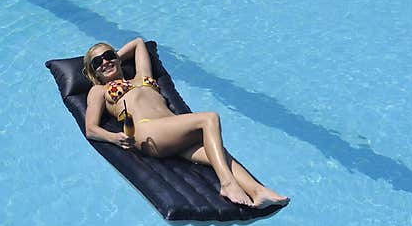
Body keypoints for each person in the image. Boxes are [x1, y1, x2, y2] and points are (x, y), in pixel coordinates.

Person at [83, 37, 289, 209]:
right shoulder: (99, 90)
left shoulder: (142, 76)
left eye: (108, 56)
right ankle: (227, 183)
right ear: (94, 73)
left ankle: (258, 191)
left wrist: (115, 57)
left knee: (217, 153)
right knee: (209, 118)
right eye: (97, 62)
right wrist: (114, 138)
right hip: (147, 132)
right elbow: (91, 129)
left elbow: (139, 43)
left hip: (172, 130)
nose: (105, 62)